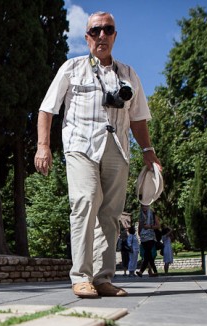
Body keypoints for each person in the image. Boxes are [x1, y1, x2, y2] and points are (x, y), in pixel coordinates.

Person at [34, 11, 160, 298]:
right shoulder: (72, 68)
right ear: (87, 37)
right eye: (95, 31)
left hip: (117, 147)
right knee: (86, 200)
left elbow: (138, 119)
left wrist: (149, 153)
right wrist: (43, 146)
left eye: (108, 30)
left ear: (115, 35)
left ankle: (103, 279)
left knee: (111, 213)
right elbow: (46, 109)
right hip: (80, 145)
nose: (101, 35)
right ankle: (80, 276)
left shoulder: (128, 74)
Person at [136, 203, 160, 277]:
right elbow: (140, 226)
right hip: (143, 237)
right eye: (143, 206)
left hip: (151, 236)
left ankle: (141, 271)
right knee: (148, 255)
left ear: (148, 206)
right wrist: (139, 234)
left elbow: (158, 225)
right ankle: (155, 271)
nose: (144, 207)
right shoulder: (141, 215)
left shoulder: (153, 214)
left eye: (146, 206)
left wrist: (150, 226)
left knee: (147, 254)